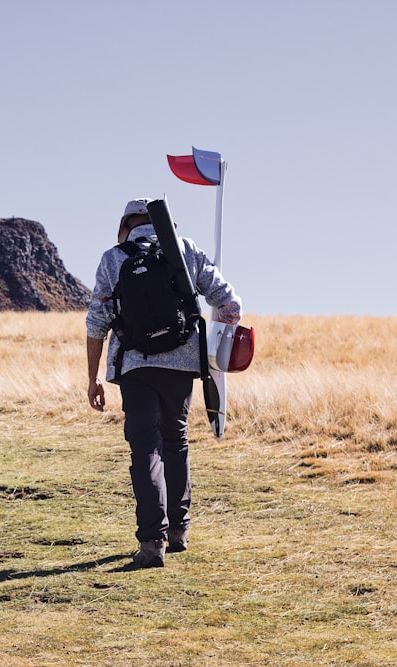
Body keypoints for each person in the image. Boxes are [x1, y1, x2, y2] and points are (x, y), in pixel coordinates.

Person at [85, 198, 241, 568]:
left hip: (135, 366)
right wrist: (222, 350)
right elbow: (229, 301)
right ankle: (178, 531)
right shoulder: (185, 249)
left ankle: (152, 542)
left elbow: (97, 322)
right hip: (182, 365)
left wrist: (92, 380)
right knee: (176, 442)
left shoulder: (113, 258)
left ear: (126, 225)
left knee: (145, 449)